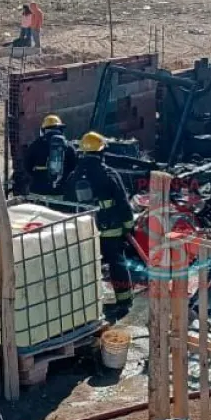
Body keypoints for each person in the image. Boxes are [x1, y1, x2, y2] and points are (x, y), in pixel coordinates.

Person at [64, 132, 135, 317]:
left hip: (85, 230)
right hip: (111, 229)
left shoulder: (74, 176)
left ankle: (87, 304)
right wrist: (129, 226)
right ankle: (124, 301)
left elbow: (67, 204)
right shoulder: (109, 174)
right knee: (117, 263)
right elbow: (123, 202)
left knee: (88, 266)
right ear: (102, 152)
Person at [23, 114, 76, 199]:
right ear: (61, 129)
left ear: (44, 130)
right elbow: (73, 168)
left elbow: (27, 166)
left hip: (38, 191)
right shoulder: (69, 146)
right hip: (60, 192)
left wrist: (38, 176)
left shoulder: (35, 145)